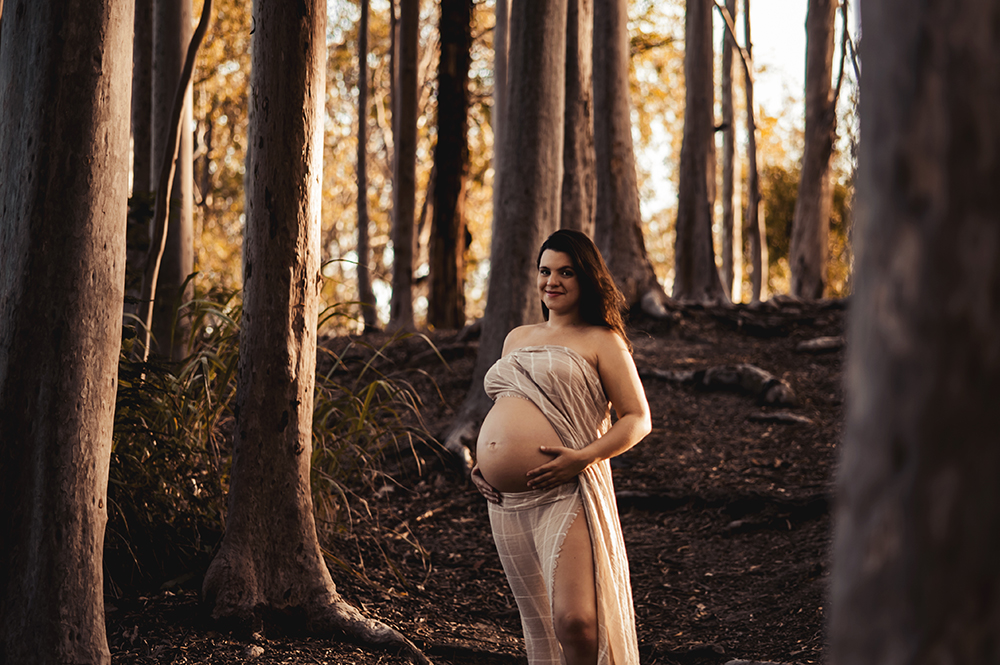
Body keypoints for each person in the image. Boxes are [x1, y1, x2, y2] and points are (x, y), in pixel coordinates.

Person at [471, 229, 651, 665]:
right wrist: (484, 462)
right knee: (542, 625)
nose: (552, 281)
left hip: (565, 490)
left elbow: (637, 418)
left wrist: (583, 458)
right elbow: (512, 402)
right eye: (545, 271)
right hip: (508, 502)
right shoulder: (516, 337)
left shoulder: (601, 339)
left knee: (577, 622)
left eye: (566, 272)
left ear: (586, 278)